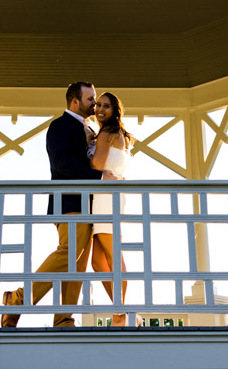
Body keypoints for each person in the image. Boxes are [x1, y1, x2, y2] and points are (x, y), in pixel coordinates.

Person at [1, 81, 114, 327]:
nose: (94, 104)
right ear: (75, 101)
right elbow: (62, 163)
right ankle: (17, 299)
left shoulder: (90, 128)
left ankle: (63, 319)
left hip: (91, 204)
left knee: (78, 264)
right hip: (69, 201)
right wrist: (99, 177)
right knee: (68, 254)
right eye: (90, 99)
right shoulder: (60, 126)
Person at [88, 91, 134, 326]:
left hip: (107, 196)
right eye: (97, 105)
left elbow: (96, 163)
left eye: (106, 106)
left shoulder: (107, 131)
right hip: (107, 195)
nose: (100, 109)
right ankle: (122, 308)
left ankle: (120, 312)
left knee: (112, 254)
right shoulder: (114, 133)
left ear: (115, 110)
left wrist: (85, 152)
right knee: (97, 261)